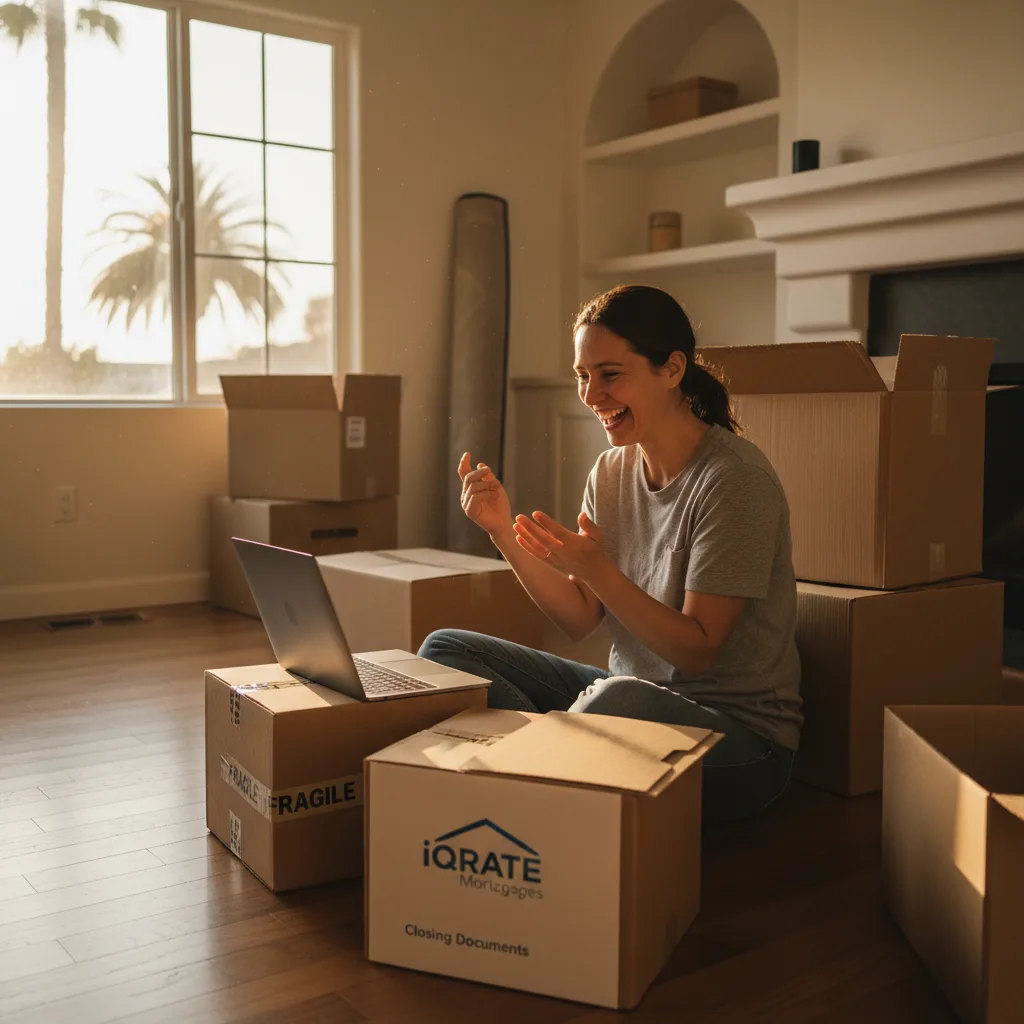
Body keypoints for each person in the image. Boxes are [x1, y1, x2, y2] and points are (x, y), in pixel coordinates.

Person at [419, 284, 801, 823]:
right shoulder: (612, 471)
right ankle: (546, 768)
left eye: (610, 374)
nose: (590, 394)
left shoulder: (734, 481)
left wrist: (595, 568)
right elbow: (581, 618)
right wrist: (501, 531)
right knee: (448, 650)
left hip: (740, 745)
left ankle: (523, 777)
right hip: (628, 705)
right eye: (582, 375)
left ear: (672, 369)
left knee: (616, 700)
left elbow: (696, 652)